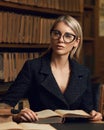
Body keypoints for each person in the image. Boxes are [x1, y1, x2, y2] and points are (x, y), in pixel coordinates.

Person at [0, 15, 102, 122]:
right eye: (56, 33)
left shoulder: (83, 72)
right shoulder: (33, 67)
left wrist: (94, 115)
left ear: (76, 42)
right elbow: (5, 104)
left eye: (68, 36)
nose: (60, 40)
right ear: (51, 36)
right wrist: (17, 115)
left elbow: (88, 110)